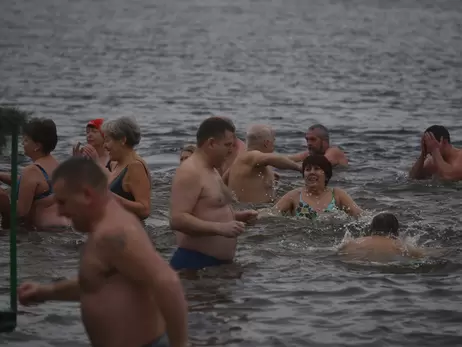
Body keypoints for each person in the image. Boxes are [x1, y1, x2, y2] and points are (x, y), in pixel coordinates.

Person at [18, 157, 188, 347]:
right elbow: (95, 283)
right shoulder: (104, 229)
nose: (59, 212)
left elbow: (168, 281)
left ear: (87, 195)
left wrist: (180, 343)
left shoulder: (114, 233)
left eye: (63, 202)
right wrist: (45, 292)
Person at [169, 117, 258, 271]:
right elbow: (177, 220)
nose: (231, 150)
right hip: (194, 264)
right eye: (227, 145)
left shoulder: (212, 169)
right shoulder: (190, 172)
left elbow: (206, 209)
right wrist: (220, 228)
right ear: (211, 143)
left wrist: (236, 216)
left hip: (214, 266)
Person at [0, 118, 69, 229]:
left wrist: (3, 200)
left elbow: (20, 213)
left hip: (44, 234)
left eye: (26, 140)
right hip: (63, 231)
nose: (22, 143)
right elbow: (33, 184)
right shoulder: (58, 166)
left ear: (37, 146)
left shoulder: (31, 171)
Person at [225, 124, 302, 203]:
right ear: (267, 143)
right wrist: (299, 168)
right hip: (255, 212)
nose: (274, 144)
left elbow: (223, 181)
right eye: (273, 141)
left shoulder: (241, 160)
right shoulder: (252, 155)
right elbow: (273, 158)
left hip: (254, 208)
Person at [273, 155, 362, 218]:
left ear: (326, 175)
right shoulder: (294, 195)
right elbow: (272, 213)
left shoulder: (337, 194)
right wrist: (259, 214)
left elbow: (360, 215)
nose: (311, 172)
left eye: (317, 168)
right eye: (308, 169)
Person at [102, 117, 151, 220]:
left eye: (107, 140)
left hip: (128, 232)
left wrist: (112, 198)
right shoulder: (114, 164)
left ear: (123, 140)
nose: (104, 146)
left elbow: (145, 210)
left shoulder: (135, 167)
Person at [338, 212, 424, 260]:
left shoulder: (354, 241)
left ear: (372, 227)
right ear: (394, 230)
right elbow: (421, 255)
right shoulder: (399, 245)